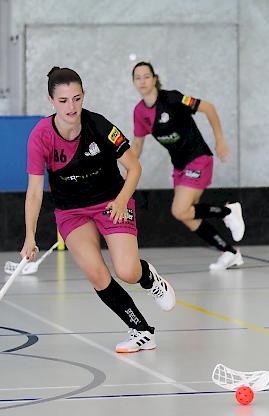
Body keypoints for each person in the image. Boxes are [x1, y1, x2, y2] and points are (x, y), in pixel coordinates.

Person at [23, 67, 176, 353]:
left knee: (127, 271)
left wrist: (120, 201)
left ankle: (149, 278)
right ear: (51, 101)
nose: (71, 107)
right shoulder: (40, 137)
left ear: (84, 96)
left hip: (110, 201)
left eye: (77, 98)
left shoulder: (99, 126)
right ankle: (141, 330)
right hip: (71, 211)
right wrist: (29, 236)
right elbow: (34, 192)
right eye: (64, 100)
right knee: (96, 273)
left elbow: (134, 168)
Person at [131, 62, 245, 271]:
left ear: (154, 78)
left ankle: (228, 211)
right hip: (180, 166)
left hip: (198, 158)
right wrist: (127, 170)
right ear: (134, 83)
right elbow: (137, 144)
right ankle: (230, 252)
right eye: (137, 78)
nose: (142, 81)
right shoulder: (139, 112)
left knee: (180, 210)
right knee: (187, 215)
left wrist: (219, 140)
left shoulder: (173, 98)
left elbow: (208, 108)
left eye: (146, 76)